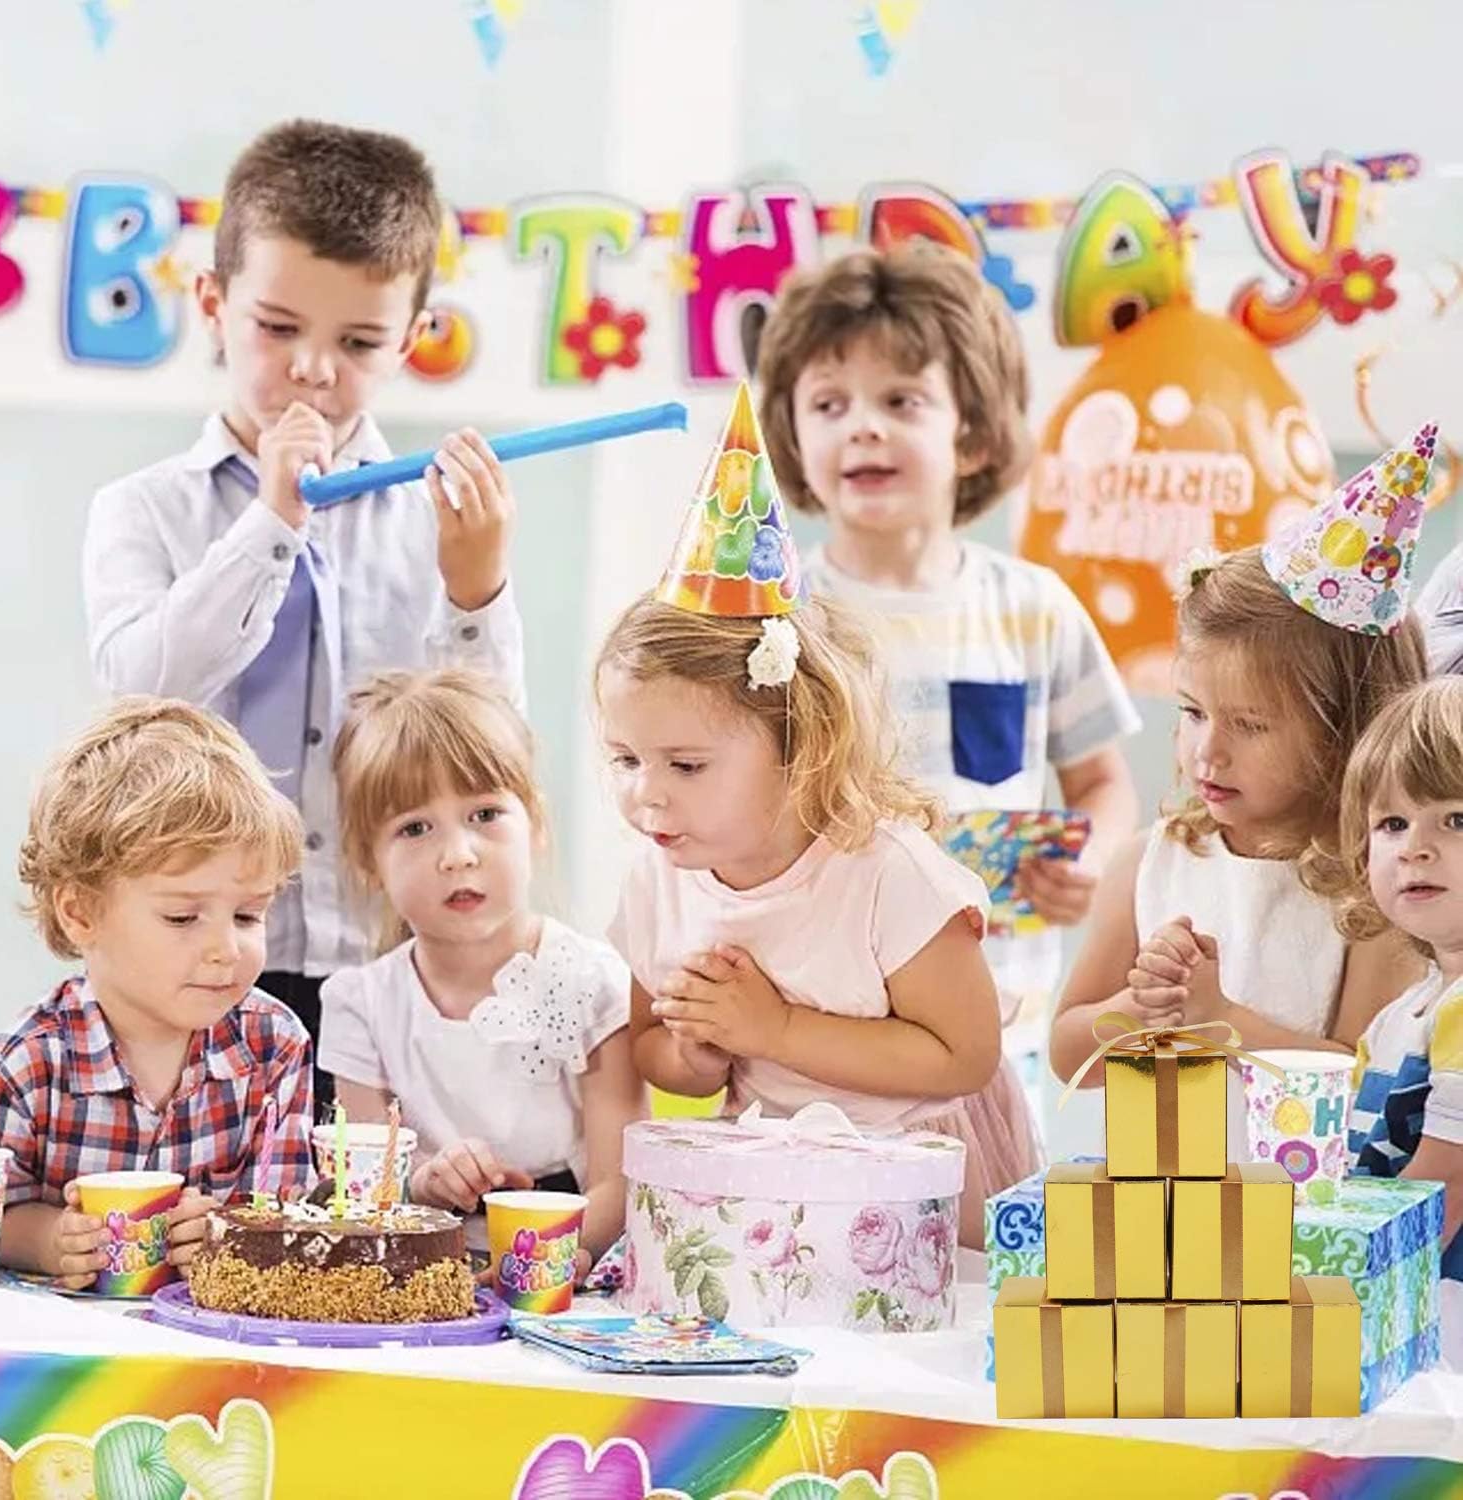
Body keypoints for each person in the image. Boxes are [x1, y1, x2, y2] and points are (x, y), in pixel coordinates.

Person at [81, 119, 527, 1112]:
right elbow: (142, 691)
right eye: (277, 328)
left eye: (358, 342)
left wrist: (475, 589)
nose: (315, 370)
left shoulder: (435, 517)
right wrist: (270, 525)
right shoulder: (143, 511)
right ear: (213, 304)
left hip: (386, 963)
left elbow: (488, 753)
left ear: (410, 339)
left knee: (375, 1197)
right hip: (189, 968)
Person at [601, 385, 1033, 1248]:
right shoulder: (660, 880)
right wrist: (697, 1054)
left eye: (686, 765)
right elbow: (648, 1042)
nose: (648, 794)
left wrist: (777, 1029)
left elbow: (965, 1056)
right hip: (776, 1172)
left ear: (801, 746)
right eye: (624, 760)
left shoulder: (887, 875)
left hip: (918, 1168)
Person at [757, 242, 1140, 1050]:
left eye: (901, 400)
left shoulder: (1034, 608)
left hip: (1002, 1020)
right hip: (825, 1015)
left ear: (972, 436)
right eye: (828, 404)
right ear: (791, 435)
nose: (863, 426)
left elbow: (1103, 781)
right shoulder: (776, 615)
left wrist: (1091, 862)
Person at [1050, 429, 1437, 1121]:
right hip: (1164, 1179)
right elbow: (1069, 1057)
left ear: (1346, 727)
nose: (1208, 751)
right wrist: (1138, 1008)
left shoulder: (1376, 889)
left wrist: (1220, 1021)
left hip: (1304, 1189)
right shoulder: (1149, 862)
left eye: (1250, 725)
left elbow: (1367, 1087)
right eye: (1193, 712)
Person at [0, 699, 313, 1288]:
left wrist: (226, 1232)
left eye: (248, 915)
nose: (226, 948)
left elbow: (291, 1215)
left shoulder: (273, 1046)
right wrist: (49, 1240)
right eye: (182, 917)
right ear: (80, 913)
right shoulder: (22, 1067)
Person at [319, 670, 642, 1273]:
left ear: (535, 823)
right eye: (415, 828)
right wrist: (425, 1181)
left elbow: (620, 1181)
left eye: (485, 814)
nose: (458, 855)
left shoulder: (593, 982)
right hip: (417, 1275)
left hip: (567, 1270)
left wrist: (545, 1261)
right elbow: (361, 1189)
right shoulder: (360, 1004)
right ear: (368, 860)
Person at [1333, 678, 1463, 1276]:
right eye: (1392, 823)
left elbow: (1444, 1188)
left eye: (1455, 819)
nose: (1416, 847)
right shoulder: (1402, 1016)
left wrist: (1341, 1288)